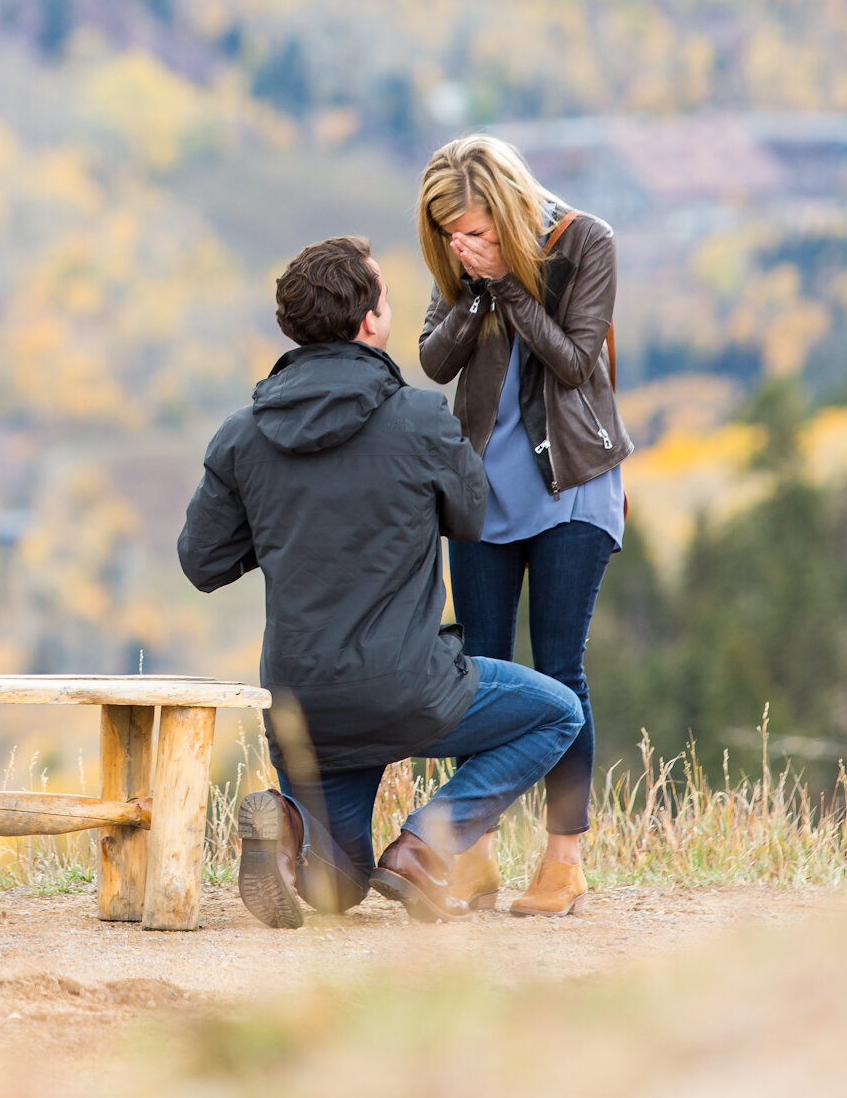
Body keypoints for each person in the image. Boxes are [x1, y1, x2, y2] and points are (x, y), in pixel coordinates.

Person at [178, 235, 585, 926]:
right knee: (556, 712)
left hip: (303, 706)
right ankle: (427, 844)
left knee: (337, 885)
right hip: (408, 687)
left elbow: (203, 561)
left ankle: (289, 827)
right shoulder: (420, 418)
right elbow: (473, 515)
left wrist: (284, 528)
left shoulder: (241, 434)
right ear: (370, 321)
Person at [415, 133, 634, 918]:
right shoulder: (463, 267)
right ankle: (473, 851)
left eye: (474, 231)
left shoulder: (587, 242)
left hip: (571, 484)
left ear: (508, 212)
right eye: (448, 235)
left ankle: (563, 859)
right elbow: (436, 361)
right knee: (478, 669)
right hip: (483, 494)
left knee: (558, 668)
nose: (460, 246)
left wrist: (508, 290)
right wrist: (475, 290)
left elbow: (576, 362)